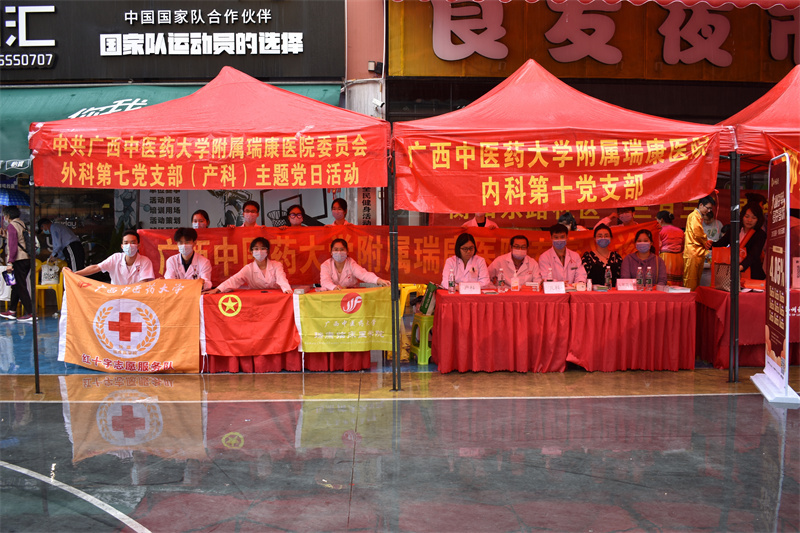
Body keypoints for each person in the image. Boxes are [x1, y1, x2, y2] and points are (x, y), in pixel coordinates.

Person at [205, 237, 291, 294]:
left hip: (275, 298)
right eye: (256, 249)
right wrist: (217, 289)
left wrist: (287, 289)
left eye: (263, 248)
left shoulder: (276, 265)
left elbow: (282, 279)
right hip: (255, 299)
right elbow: (234, 280)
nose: (259, 251)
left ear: (267, 251)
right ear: (251, 252)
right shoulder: (249, 268)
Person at [72, 229, 155, 285]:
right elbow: (96, 267)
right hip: (116, 298)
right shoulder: (115, 258)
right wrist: (74, 274)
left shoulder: (145, 261)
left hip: (137, 299)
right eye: (126, 243)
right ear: (122, 246)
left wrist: (126, 291)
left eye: (133, 243)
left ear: (138, 245)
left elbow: (143, 283)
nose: (129, 246)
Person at [714, 203, 767, 280]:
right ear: (742, 216)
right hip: (732, 272)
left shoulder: (760, 234)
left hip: (752, 274)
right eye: (747, 216)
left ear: (758, 219)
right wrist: (710, 244)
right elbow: (721, 243)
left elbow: (754, 254)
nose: (749, 220)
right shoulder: (735, 229)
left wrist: (741, 267)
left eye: (754, 218)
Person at [0, 206, 33, 322]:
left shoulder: (11, 226)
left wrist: (10, 262)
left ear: (8, 216)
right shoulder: (21, 224)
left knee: (21, 286)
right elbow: (20, 240)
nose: (4, 218)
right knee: (16, 285)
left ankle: (31, 313)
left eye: (5, 215)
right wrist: (6, 235)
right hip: (26, 258)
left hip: (18, 259)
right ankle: (12, 311)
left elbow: (13, 246)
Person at [319, 239, 389, 290]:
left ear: (347, 252)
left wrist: (378, 280)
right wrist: (334, 287)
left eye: (342, 249)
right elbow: (325, 281)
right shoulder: (325, 265)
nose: (339, 252)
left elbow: (363, 274)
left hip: (351, 296)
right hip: (331, 296)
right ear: (331, 252)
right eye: (336, 249)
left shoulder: (351, 263)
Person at [683, 195, 715, 290]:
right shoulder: (694, 216)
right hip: (693, 252)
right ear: (701, 205)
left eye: (710, 209)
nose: (709, 211)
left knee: (695, 280)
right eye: (708, 208)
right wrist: (706, 242)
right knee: (691, 280)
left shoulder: (697, 216)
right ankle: (690, 299)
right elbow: (698, 233)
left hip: (696, 252)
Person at [656, 210, 685, 286]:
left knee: (665, 282)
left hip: (666, 258)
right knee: (677, 283)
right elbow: (683, 247)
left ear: (661, 220)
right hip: (679, 259)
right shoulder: (680, 231)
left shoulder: (660, 230)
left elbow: (658, 246)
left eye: (657, 220)